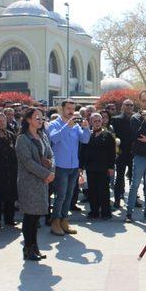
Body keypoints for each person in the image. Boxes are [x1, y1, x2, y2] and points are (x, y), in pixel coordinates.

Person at [16, 107, 54, 260]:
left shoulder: (42, 135)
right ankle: (28, 248)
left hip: (42, 182)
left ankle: (35, 246)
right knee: (29, 217)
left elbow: (51, 155)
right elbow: (27, 162)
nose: (40, 120)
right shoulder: (22, 139)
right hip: (29, 182)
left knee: (36, 216)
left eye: (41, 117)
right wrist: (46, 174)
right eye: (36, 117)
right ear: (28, 120)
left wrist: (51, 171)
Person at [47, 99, 90, 236]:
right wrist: (67, 126)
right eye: (68, 108)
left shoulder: (76, 125)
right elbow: (53, 138)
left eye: (73, 108)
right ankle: (55, 222)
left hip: (73, 165)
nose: (71, 111)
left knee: (69, 195)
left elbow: (85, 140)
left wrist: (86, 128)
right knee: (60, 196)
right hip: (60, 166)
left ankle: (64, 220)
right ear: (61, 109)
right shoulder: (54, 124)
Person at [125, 109, 146, 222]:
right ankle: (129, 213)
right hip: (140, 155)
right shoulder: (135, 118)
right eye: (144, 100)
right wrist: (145, 121)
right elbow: (137, 135)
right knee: (135, 184)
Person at [81, 113, 116, 219]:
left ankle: (106, 212)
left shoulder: (108, 135)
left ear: (102, 122)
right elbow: (82, 151)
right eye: (94, 121)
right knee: (92, 190)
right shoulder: (87, 134)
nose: (97, 123)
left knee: (104, 191)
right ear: (91, 122)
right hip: (90, 168)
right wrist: (81, 166)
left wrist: (111, 167)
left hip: (103, 168)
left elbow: (112, 152)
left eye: (99, 121)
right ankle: (94, 211)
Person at [0, 112, 18, 227]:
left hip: (11, 170)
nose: (2, 123)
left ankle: (9, 219)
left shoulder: (11, 135)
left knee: (10, 196)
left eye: (4, 121)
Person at [111, 99, 136, 208]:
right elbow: (113, 137)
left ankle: (133, 200)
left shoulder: (136, 119)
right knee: (119, 178)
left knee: (133, 179)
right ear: (122, 106)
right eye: (127, 105)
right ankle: (117, 200)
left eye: (131, 105)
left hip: (133, 153)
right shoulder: (115, 120)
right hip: (121, 153)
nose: (129, 107)